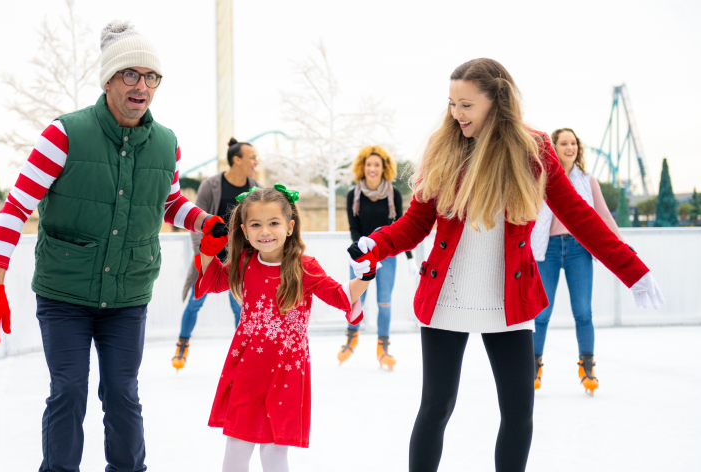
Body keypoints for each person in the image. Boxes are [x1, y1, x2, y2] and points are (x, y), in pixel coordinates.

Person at [346, 58, 664, 472]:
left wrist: (632, 269)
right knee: (436, 408)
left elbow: (580, 217)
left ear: (497, 101)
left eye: (466, 105)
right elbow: (418, 222)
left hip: (509, 300)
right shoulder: (443, 147)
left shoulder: (533, 150)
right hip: (448, 297)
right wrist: (377, 244)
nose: (456, 114)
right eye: (451, 103)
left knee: (518, 413)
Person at [0, 21, 228, 471]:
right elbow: (15, 208)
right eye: (130, 74)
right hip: (64, 292)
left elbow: (166, 201)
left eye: (151, 77)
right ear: (108, 79)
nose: (142, 85)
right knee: (69, 389)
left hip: (127, 294)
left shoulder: (165, 143)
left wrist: (202, 221)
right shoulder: (64, 135)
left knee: (123, 392)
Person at [194, 184, 372, 472]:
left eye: (273, 223)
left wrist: (365, 272)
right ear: (244, 230)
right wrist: (208, 249)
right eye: (256, 224)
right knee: (237, 446)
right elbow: (211, 281)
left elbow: (343, 297)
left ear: (289, 226)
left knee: (274, 451)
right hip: (247, 368)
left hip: (286, 371)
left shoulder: (305, 266)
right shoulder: (245, 262)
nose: (265, 231)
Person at [531, 128, 625, 394]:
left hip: (578, 250)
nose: (569, 147)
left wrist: (620, 245)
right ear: (554, 148)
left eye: (573, 143)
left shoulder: (587, 179)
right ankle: (533, 367)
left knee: (583, 312)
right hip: (546, 250)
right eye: (563, 143)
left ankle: (587, 367)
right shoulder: (541, 178)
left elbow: (604, 215)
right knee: (541, 313)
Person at [172, 137, 261, 371]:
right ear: (236, 159)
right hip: (210, 257)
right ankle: (183, 344)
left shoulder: (256, 189)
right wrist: (203, 257)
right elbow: (196, 222)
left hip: (238, 262)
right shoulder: (210, 185)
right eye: (252, 157)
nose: (256, 162)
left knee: (239, 307)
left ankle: (243, 353)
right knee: (194, 303)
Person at [338, 145, 417, 370]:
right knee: (356, 299)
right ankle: (351, 337)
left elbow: (403, 228)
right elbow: (354, 228)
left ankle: (383, 349)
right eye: (369, 164)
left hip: (388, 256)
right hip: (361, 254)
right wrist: (362, 253)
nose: (372, 168)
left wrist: (409, 257)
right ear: (363, 167)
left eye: (377, 165)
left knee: (384, 301)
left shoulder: (394, 195)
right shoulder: (354, 194)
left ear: (384, 169)